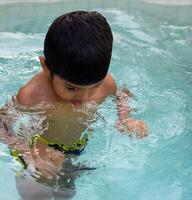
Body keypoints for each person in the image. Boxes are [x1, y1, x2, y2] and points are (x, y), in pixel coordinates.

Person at [0, 11, 148, 181]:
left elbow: (121, 94)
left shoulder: (107, 83)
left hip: (76, 146)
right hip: (39, 144)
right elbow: (2, 125)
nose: (84, 98)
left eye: (94, 87)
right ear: (45, 67)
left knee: (67, 190)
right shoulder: (32, 94)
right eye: (71, 88)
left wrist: (125, 118)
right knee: (35, 194)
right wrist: (26, 150)